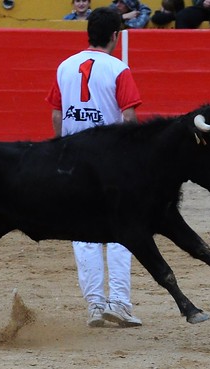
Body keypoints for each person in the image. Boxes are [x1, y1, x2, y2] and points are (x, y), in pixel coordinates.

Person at [46, 7, 143, 328]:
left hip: (74, 159)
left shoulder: (64, 66)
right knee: (120, 233)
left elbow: (57, 115)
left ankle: (95, 306)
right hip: (111, 161)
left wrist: (59, 151)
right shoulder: (118, 68)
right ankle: (119, 303)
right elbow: (129, 118)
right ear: (116, 35)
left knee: (84, 236)